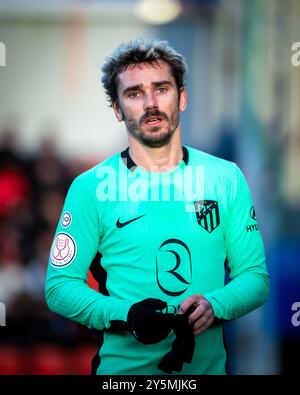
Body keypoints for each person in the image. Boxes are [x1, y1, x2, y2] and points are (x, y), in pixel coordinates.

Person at [45, 38, 270, 375]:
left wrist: (215, 304)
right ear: (118, 109)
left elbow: (255, 278)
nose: (150, 103)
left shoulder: (226, 178)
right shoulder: (90, 188)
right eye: (134, 93)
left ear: (182, 97)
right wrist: (126, 314)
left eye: (161, 89)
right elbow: (59, 287)